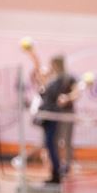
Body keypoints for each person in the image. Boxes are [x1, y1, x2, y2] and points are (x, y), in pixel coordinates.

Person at [30, 54, 77, 186]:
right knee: (50, 145)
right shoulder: (49, 81)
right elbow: (39, 70)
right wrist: (32, 54)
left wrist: (68, 98)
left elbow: (75, 91)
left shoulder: (63, 79)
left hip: (54, 117)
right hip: (47, 117)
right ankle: (55, 171)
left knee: (55, 143)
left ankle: (58, 171)